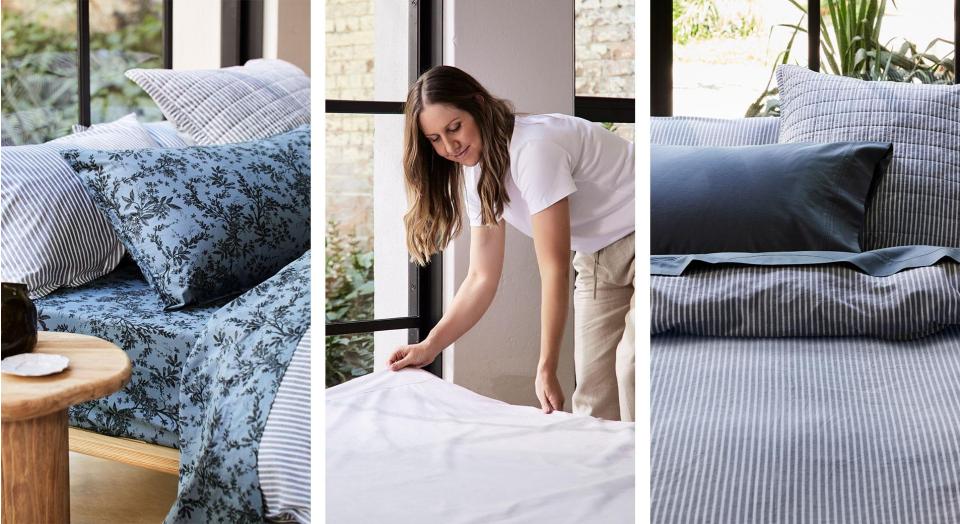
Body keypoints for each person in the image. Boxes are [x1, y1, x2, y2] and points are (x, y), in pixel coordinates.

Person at [387, 65, 635, 422]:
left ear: (477, 105)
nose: (450, 146)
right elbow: (481, 277)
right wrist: (430, 346)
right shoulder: (476, 173)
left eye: (454, 127)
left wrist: (546, 367)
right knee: (594, 396)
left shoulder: (533, 149)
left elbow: (554, 269)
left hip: (649, 234)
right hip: (597, 256)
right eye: (435, 139)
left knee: (633, 366)